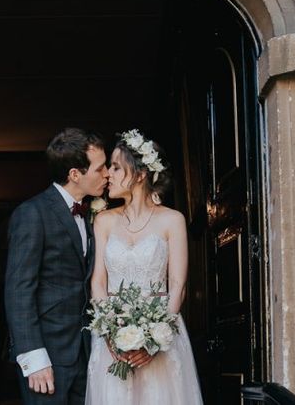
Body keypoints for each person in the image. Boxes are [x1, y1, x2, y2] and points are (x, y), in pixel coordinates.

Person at [86, 130, 203, 404]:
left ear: (140, 175)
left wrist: (154, 341)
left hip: (162, 333)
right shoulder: (103, 220)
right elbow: (98, 282)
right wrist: (109, 332)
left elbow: (177, 286)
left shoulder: (172, 220)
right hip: (112, 338)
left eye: (116, 167)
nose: (108, 175)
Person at [5, 128, 109, 404]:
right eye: (100, 169)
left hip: (86, 353)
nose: (108, 173)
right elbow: (18, 289)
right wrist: (33, 357)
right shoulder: (32, 213)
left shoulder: (90, 214)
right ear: (75, 174)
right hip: (46, 356)